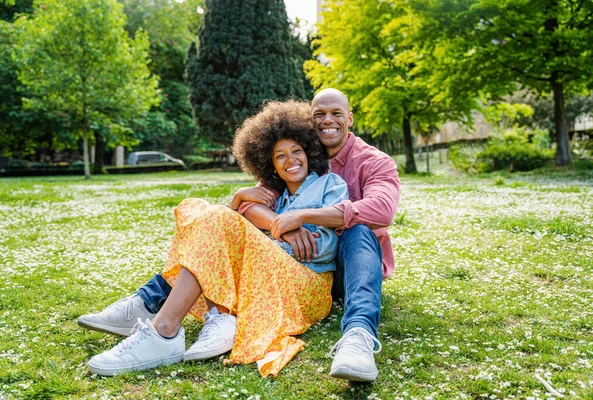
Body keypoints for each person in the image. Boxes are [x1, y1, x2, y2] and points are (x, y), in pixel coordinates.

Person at [79, 88, 401, 382]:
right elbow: (247, 211)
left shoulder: (347, 175)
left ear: (350, 118)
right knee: (201, 211)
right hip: (276, 264)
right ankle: (162, 306)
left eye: (336, 114)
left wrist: (298, 218)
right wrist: (275, 223)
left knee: (357, 230)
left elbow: (379, 211)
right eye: (319, 115)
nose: (327, 121)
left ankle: (357, 335)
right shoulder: (285, 184)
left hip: (335, 270)